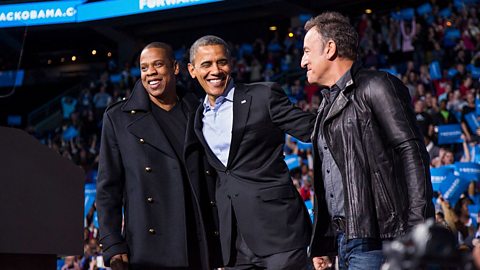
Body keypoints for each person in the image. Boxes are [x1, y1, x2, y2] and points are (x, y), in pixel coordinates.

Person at [300, 12, 434, 270]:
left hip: (380, 239)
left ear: (330, 49)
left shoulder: (377, 85)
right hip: (345, 240)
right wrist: (325, 244)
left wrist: (418, 228)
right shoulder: (326, 105)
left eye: (307, 51)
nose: (303, 61)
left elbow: (412, 153)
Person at [187, 35, 315, 270]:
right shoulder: (197, 117)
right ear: (192, 70)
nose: (215, 70)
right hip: (234, 240)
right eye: (206, 64)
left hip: (280, 231)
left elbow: (313, 129)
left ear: (231, 64)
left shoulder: (263, 96)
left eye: (221, 62)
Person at [96, 42, 220, 270]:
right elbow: (108, 189)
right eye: (144, 68)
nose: (150, 72)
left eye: (158, 65)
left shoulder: (200, 110)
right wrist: (112, 244)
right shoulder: (118, 119)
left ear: (174, 67)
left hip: (200, 241)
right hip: (148, 248)